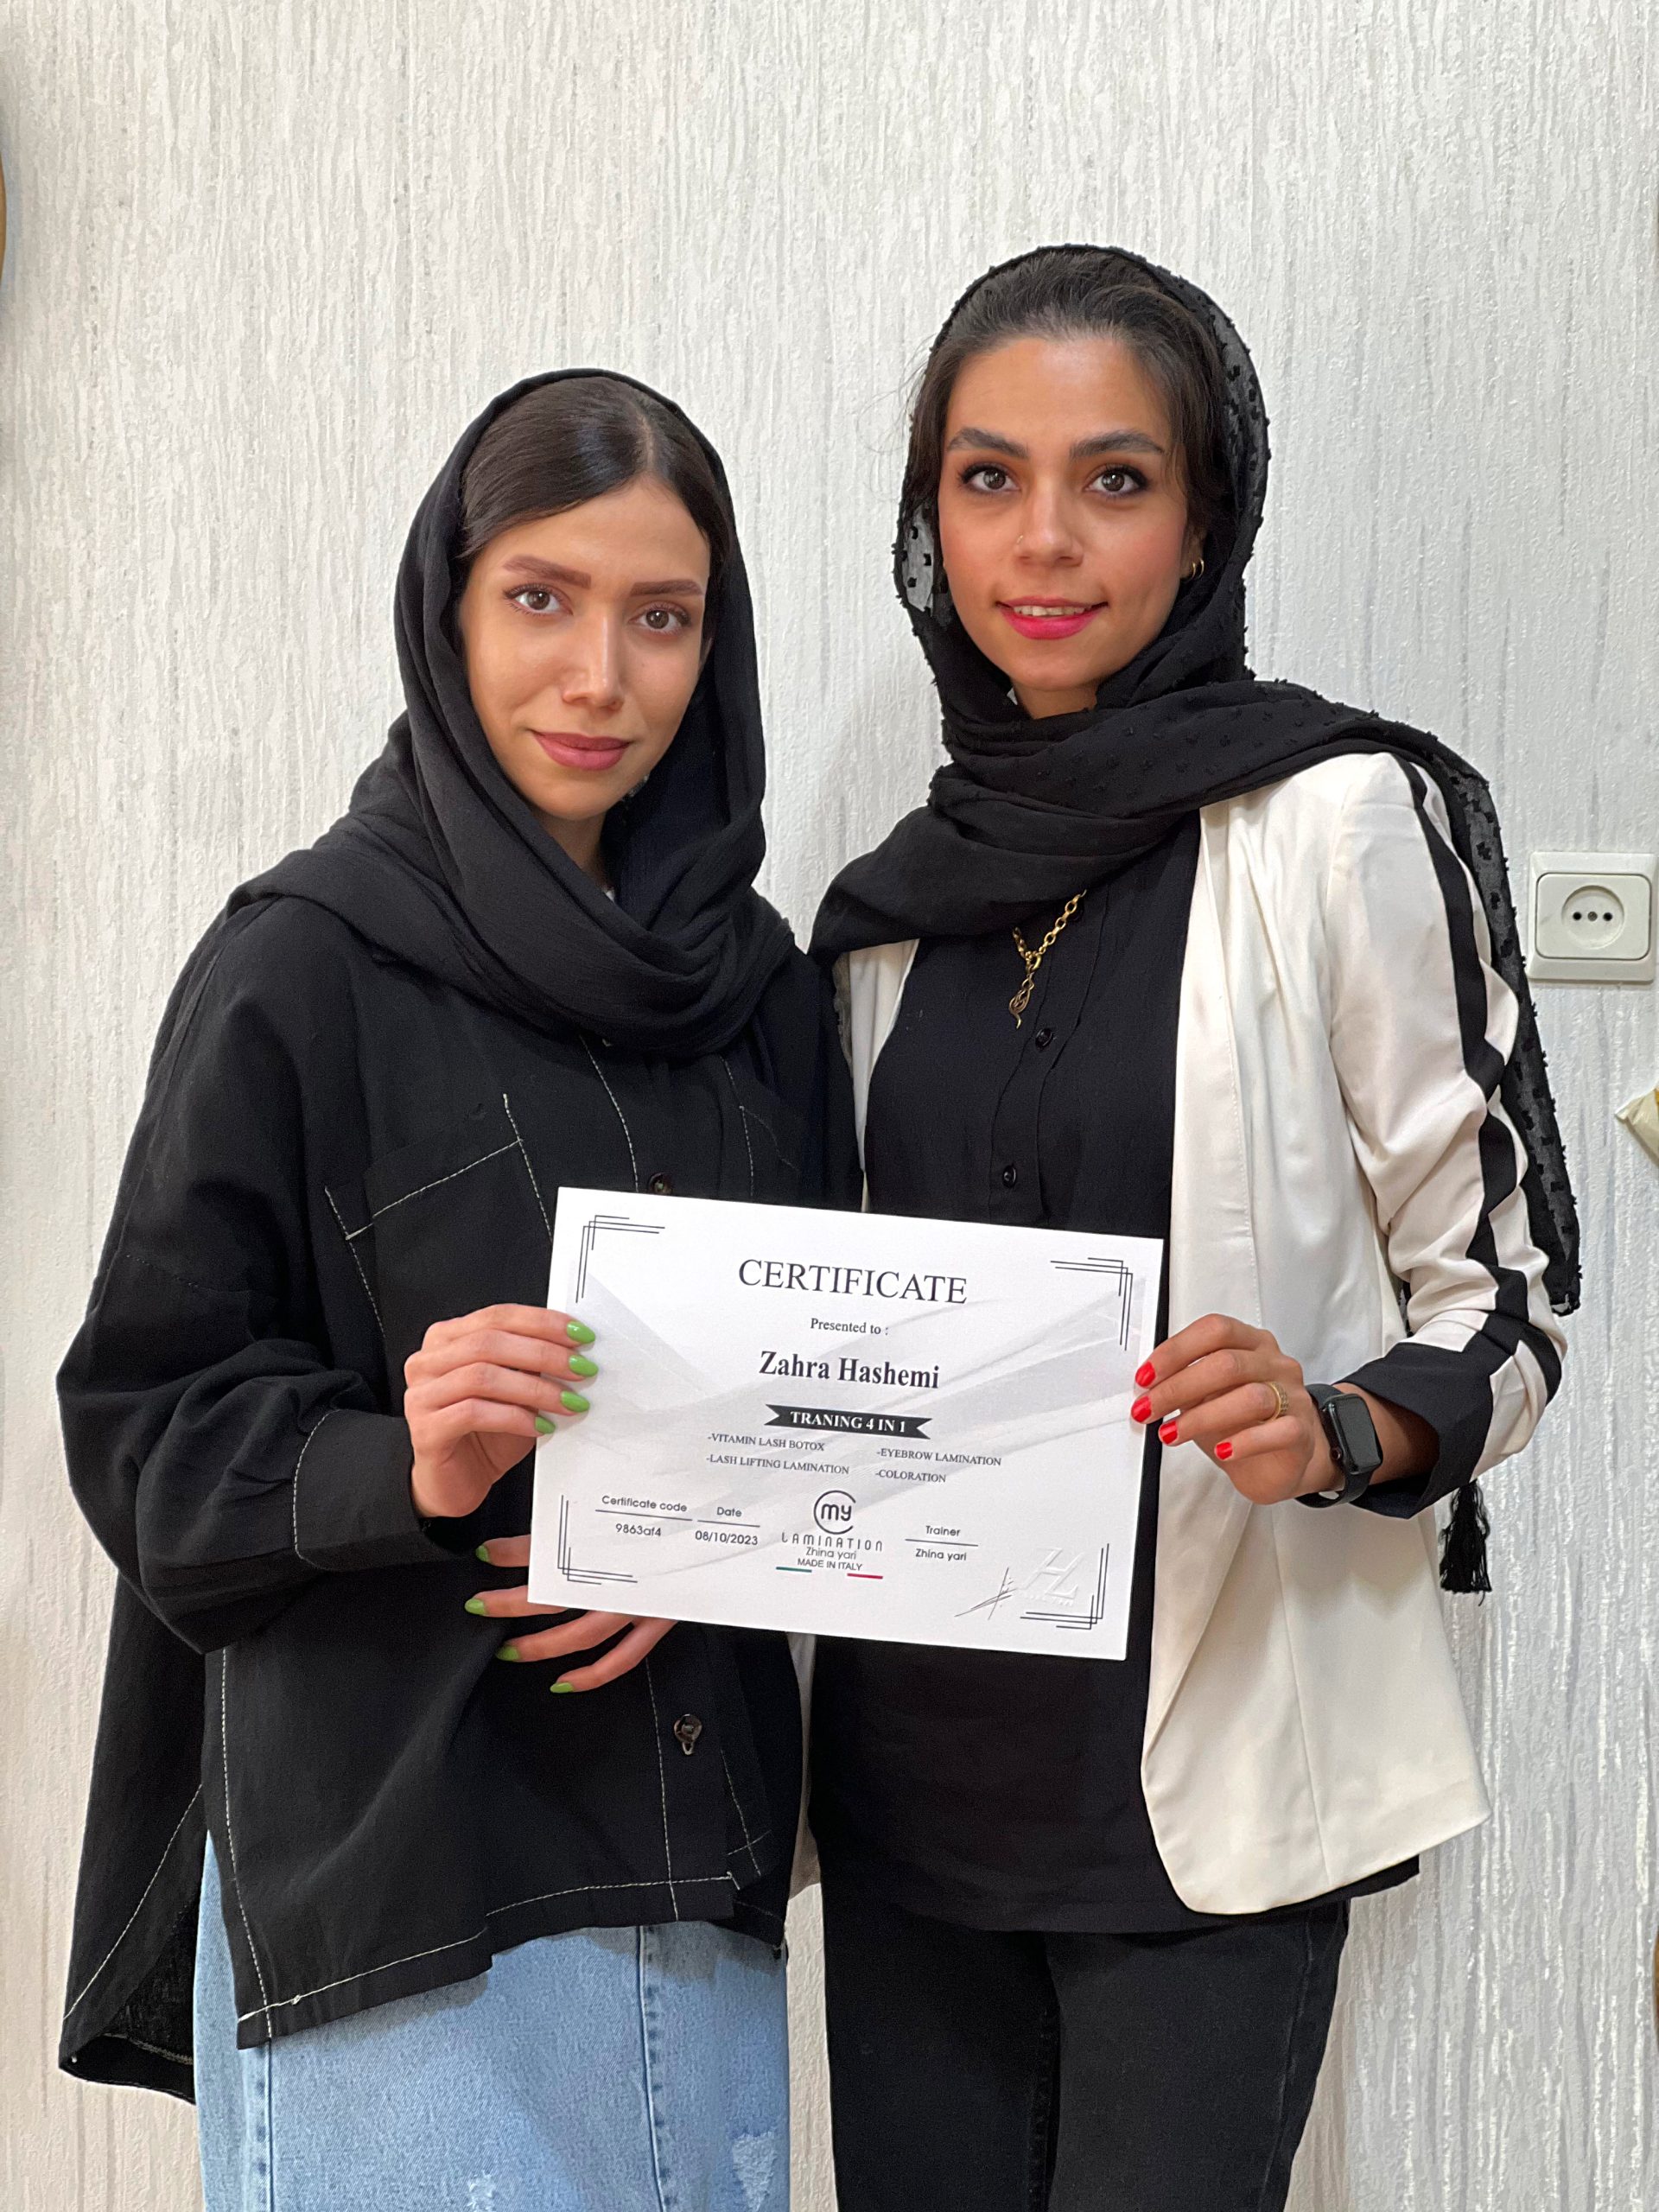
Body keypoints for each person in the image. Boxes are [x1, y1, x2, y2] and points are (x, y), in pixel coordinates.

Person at [808, 246, 1577, 2212]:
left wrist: (1340, 1423)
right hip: (909, 1794)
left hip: (1207, 1785)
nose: (1044, 540)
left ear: (1208, 517)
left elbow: (1508, 1294)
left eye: (1117, 479)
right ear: (928, 519)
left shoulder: (1338, 818)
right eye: (987, 478)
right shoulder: (887, 909)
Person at [58, 371, 855, 2210]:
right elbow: (143, 1427)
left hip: (697, 1880)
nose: (600, 675)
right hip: (405, 1906)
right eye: (541, 599)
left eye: (662, 617)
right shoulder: (304, 964)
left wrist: (704, 1534)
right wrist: (402, 1461)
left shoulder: (762, 997)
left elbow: (820, 1395)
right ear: (449, 605)